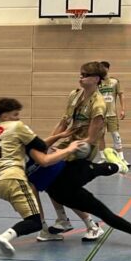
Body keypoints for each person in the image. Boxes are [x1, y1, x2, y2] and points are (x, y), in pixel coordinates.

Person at [0, 97, 85, 256]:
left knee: (32, 215)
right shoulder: (17, 126)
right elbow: (41, 146)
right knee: (34, 221)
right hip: (13, 178)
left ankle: (45, 233)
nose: (18, 118)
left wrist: (60, 135)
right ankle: (4, 237)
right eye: (15, 114)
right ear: (4, 116)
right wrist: (69, 149)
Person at [42, 61, 112, 241]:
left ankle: (92, 226)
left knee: (63, 187)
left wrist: (68, 151)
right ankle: (62, 220)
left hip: (83, 149)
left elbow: (91, 139)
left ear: (96, 79)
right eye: (81, 74)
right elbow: (64, 122)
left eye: (85, 75)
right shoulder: (74, 95)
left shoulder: (98, 104)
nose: (81, 77)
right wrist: (50, 142)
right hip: (69, 142)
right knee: (48, 178)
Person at [96, 60, 129, 167]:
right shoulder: (97, 83)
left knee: (116, 135)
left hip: (112, 114)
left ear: (107, 69)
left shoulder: (114, 81)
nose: (101, 70)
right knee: (100, 136)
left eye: (103, 68)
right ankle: (103, 158)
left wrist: (123, 109)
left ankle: (121, 158)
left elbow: (121, 95)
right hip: (100, 115)